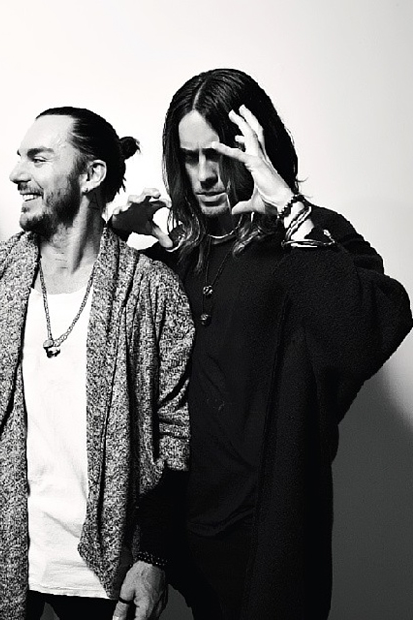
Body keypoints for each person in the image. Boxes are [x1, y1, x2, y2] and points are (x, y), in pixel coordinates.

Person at [110, 68, 413, 620]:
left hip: (266, 535)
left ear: (258, 150)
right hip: (177, 535)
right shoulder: (178, 252)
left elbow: (368, 332)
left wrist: (290, 210)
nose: (204, 175)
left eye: (219, 155)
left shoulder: (309, 236)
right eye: (189, 158)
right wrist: (120, 223)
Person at [0, 106, 194, 620]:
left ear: (92, 175)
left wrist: (155, 557)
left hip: (104, 566)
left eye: (38, 158)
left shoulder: (152, 291)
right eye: (19, 157)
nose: (16, 173)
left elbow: (174, 434)